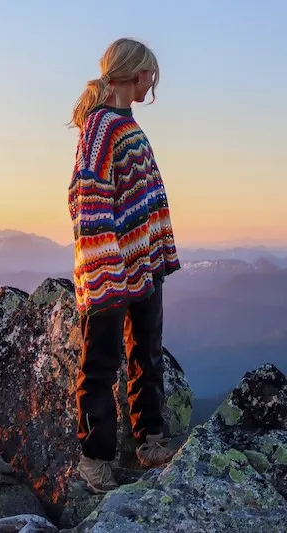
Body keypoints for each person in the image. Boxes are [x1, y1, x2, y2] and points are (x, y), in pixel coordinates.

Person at [67, 37, 181, 493]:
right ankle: (94, 460)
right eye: (151, 74)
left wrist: (152, 249)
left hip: (142, 261)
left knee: (146, 352)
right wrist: (105, 263)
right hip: (109, 266)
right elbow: (86, 196)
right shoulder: (100, 127)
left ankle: (149, 441)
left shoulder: (126, 123)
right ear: (135, 74)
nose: (153, 82)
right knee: (100, 364)